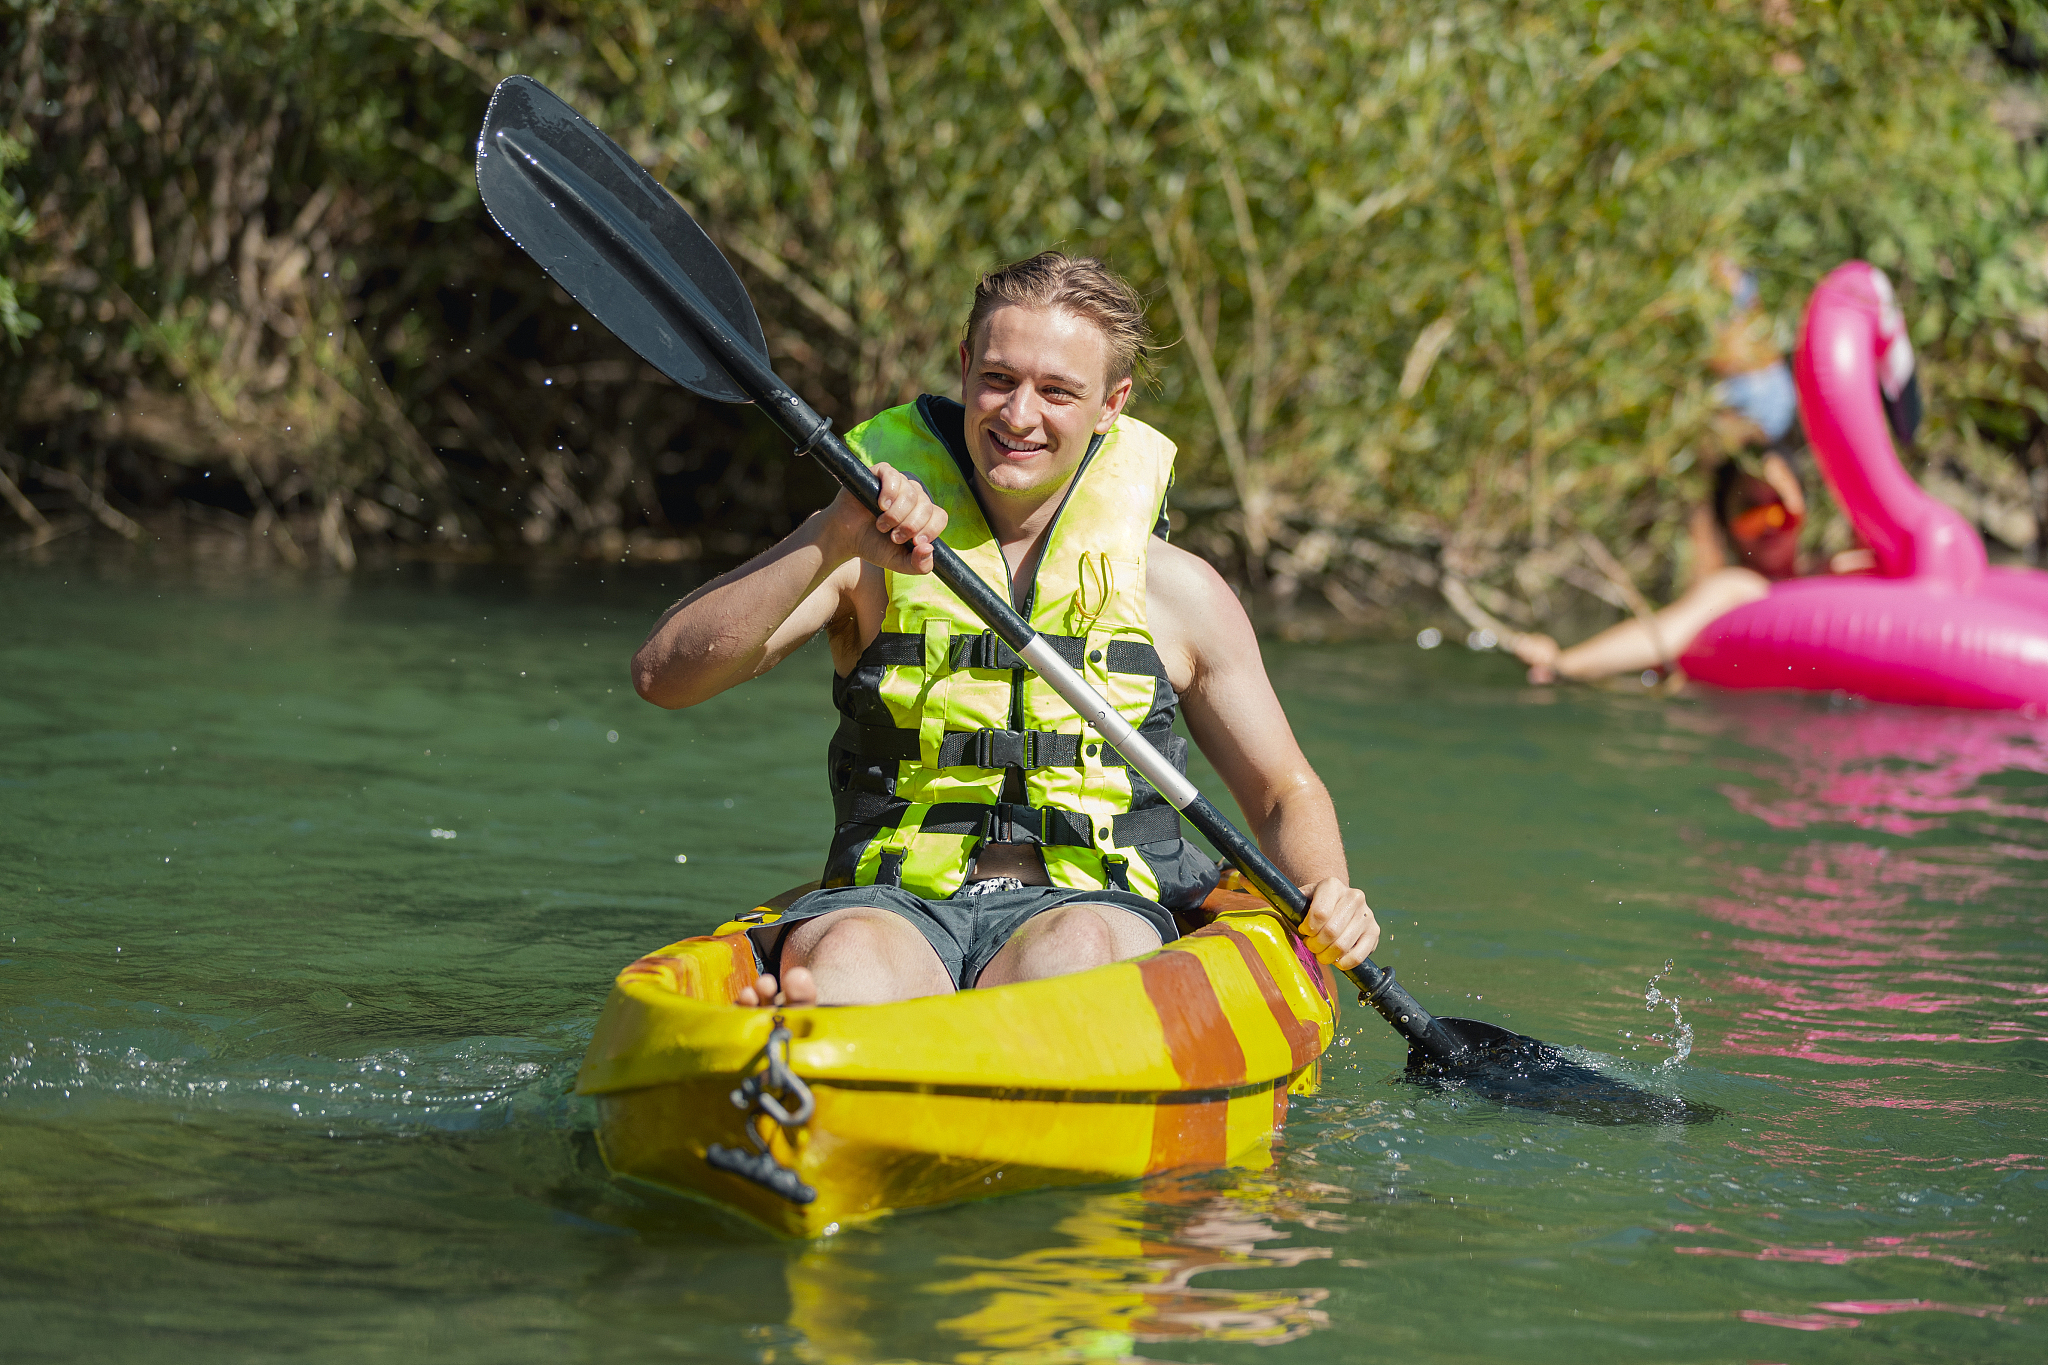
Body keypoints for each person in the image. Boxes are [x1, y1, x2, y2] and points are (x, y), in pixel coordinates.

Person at [632, 252, 1380, 1006]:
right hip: (894, 905)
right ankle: (806, 1062)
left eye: (1058, 391)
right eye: (999, 378)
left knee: (1079, 949)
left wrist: (1328, 890)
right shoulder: (860, 548)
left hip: (1092, 905)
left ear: (1113, 402)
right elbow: (663, 678)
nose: (1019, 415)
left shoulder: (1176, 591)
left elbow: (1283, 790)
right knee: (850, 952)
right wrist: (830, 534)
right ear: (964, 367)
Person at [1511, 261, 1910, 685]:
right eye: (1748, 512)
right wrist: (1565, 662)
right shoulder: (1739, 588)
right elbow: (1665, 634)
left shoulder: (1830, 569)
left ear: (1803, 503)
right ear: (1728, 527)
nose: (1767, 523)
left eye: (1777, 506)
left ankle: (1730, 283)